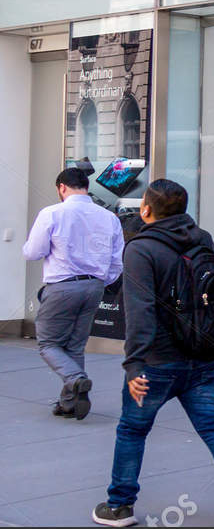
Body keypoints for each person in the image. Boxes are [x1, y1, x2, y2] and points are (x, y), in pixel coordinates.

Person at [95, 179, 214, 528]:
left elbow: (140, 311)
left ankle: (119, 506)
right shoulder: (203, 239)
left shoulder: (141, 248)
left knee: (132, 431)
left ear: (146, 209)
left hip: (157, 361)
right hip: (205, 356)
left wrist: (134, 365)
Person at [24, 167, 125, 420]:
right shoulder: (108, 217)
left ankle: (76, 378)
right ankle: (69, 403)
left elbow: (33, 252)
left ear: (61, 187)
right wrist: (102, 280)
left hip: (62, 286)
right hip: (94, 287)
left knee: (48, 343)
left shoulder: (52, 213)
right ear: (86, 187)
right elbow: (116, 261)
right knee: (75, 345)